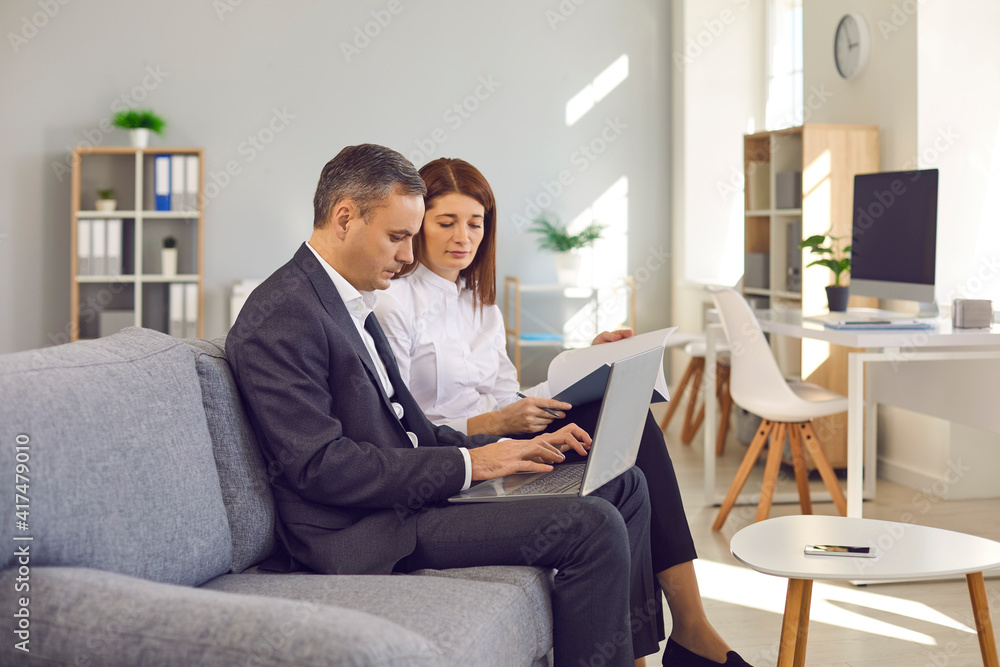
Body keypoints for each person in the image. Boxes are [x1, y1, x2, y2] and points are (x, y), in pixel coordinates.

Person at [227, 143, 663, 667]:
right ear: (345, 218)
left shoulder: (348, 300)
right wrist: (473, 463)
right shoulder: (283, 315)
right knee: (591, 525)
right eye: (398, 237)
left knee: (624, 482)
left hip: (411, 494)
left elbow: (413, 431)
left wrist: (505, 445)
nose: (410, 256)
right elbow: (320, 467)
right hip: (365, 529)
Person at [375, 157, 753, 667]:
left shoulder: (478, 301)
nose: (462, 237)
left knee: (625, 409)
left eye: (476, 223)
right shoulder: (392, 304)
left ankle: (684, 629)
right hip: (461, 458)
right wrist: (495, 426)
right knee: (627, 450)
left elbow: (506, 393)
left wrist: (587, 362)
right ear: (418, 222)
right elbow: (407, 428)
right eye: (446, 222)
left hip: (507, 435)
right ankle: (685, 636)